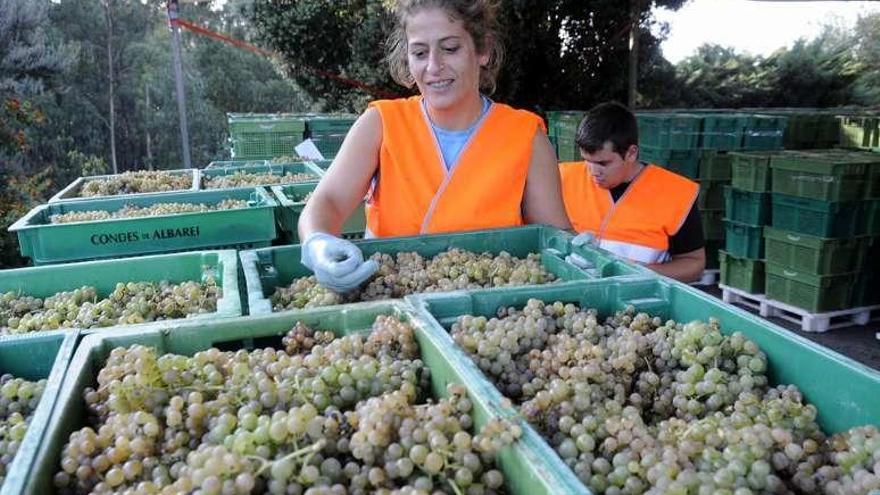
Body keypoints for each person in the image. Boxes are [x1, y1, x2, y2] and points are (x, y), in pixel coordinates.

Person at [298, 0, 571, 292]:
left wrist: (578, 252)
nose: (433, 67)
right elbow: (327, 202)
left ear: (483, 50)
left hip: (487, 318)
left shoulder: (525, 136)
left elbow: (554, 237)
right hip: (391, 309)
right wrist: (317, 241)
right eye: (419, 52)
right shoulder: (380, 124)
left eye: (450, 48)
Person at [559, 102, 706, 282]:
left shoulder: (676, 194)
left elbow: (694, 264)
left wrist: (637, 273)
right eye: (587, 160)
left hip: (636, 304)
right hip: (568, 299)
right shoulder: (562, 179)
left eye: (603, 163)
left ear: (631, 153)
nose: (592, 171)